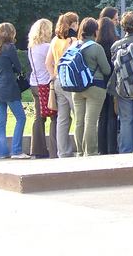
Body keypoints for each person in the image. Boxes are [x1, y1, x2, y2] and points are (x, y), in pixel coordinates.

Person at [0, 22, 28, 159]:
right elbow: (18, 67)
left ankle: (3, 152)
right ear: (10, 33)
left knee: (1, 120)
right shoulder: (9, 48)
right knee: (21, 117)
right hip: (9, 86)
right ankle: (16, 150)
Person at [110, 12, 133, 153]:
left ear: (123, 27)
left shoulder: (115, 46)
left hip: (123, 87)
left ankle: (125, 150)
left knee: (126, 119)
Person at [72, 17, 111, 156]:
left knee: (79, 121)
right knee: (91, 121)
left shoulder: (74, 46)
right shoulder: (96, 47)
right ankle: (91, 152)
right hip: (95, 87)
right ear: (95, 31)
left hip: (76, 88)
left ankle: (80, 152)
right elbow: (106, 70)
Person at [46, 12, 78, 158]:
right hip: (70, 81)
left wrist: (53, 76)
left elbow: (48, 62)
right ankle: (81, 147)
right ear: (73, 24)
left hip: (58, 80)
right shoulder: (73, 40)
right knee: (78, 114)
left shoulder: (54, 41)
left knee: (62, 118)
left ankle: (63, 151)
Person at [26, 18, 55, 158]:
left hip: (34, 84)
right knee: (55, 116)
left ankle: (37, 149)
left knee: (39, 117)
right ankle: (55, 148)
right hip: (47, 85)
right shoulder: (47, 47)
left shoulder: (31, 48)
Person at [96, 16, 119, 154]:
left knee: (102, 116)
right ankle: (112, 147)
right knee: (112, 115)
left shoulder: (96, 45)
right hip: (112, 83)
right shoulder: (114, 44)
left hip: (99, 83)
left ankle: (101, 148)